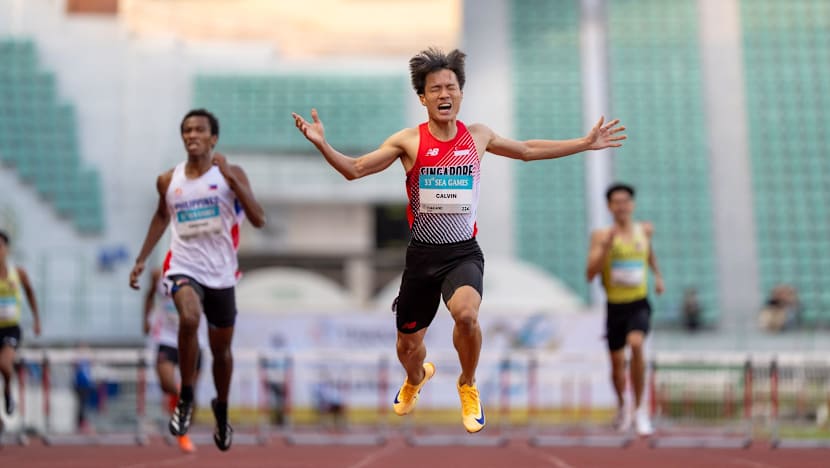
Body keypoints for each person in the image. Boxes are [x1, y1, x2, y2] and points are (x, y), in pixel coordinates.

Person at [292, 48, 626, 433]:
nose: (443, 93)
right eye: (435, 89)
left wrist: (584, 143)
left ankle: (467, 383)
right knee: (407, 348)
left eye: (450, 86)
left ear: (460, 93)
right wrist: (322, 144)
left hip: (462, 252)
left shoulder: (478, 136)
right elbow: (355, 170)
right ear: (423, 98)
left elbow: (528, 150)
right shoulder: (408, 142)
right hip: (421, 257)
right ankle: (416, 378)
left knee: (466, 315)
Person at [129, 109, 266, 451]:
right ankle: (186, 396)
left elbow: (259, 219)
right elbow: (162, 216)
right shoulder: (168, 180)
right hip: (183, 266)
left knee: (222, 351)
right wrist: (142, 259)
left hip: (221, 273)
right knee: (189, 318)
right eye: (187, 130)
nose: (192, 135)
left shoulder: (231, 175)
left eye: (200, 130)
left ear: (213, 138)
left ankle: (221, 407)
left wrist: (233, 180)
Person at [586, 183, 663, 436]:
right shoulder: (601, 235)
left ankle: (641, 410)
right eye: (616, 202)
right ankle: (623, 406)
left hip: (638, 302)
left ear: (632, 205)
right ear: (609, 206)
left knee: (637, 343)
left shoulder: (645, 230)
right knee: (617, 366)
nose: (621, 206)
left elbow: (648, 253)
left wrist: (658, 276)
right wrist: (607, 248)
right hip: (615, 306)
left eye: (625, 201)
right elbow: (590, 274)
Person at [144, 267, 207, 453]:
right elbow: (148, 296)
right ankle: (180, 395)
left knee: (192, 394)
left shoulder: (202, 273)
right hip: (167, 338)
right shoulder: (158, 275)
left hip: (195, 340)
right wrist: (145, 320)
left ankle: (184, 434)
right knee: (166, 383)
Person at [0, 230, 41, 427]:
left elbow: (31, 294)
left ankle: (7, 390)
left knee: (5, 366)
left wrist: (36, 319)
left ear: (7, 249)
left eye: (0, 246)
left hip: (10, 329)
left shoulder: (18, 273)